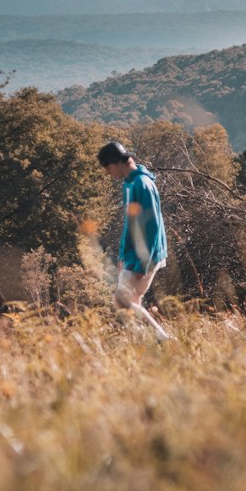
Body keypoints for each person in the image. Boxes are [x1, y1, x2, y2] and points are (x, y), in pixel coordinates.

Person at [97, 140, 171, 341]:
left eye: (108, 167)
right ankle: (145, 342)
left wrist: (141, 264)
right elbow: (130, 226)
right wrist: (124, 256)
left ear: (118, 163)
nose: (107, 173)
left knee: (122, 299)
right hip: (133, 256)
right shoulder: (129, 184)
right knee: (131, 301)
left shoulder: (142, 184)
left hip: (145, 257)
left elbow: (152, 228)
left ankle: (162, 339)